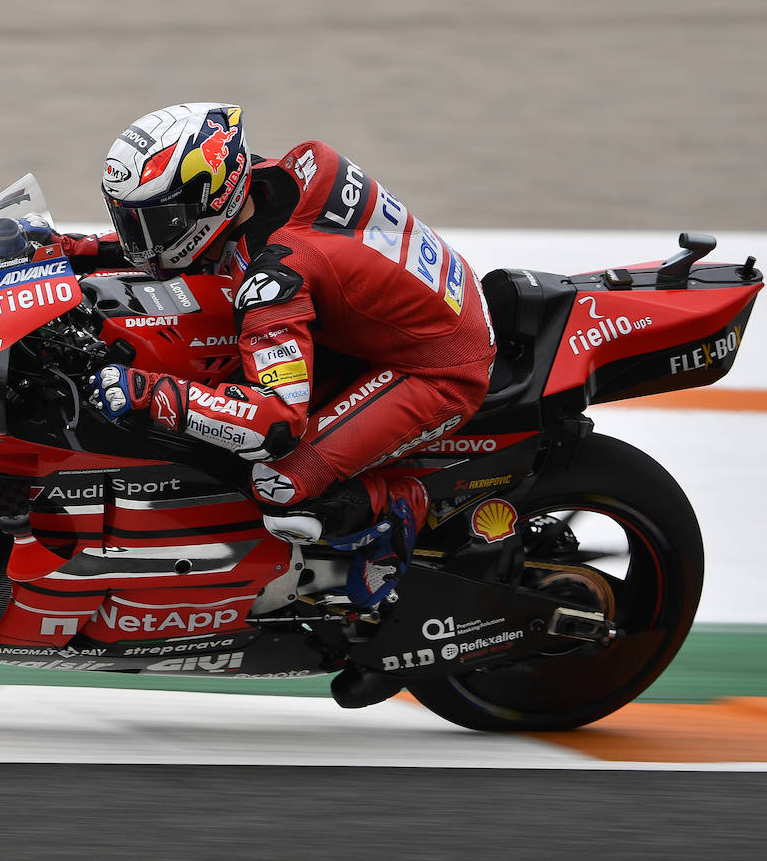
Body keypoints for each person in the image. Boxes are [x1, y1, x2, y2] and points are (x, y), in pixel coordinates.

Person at [65, 102, 496, 611]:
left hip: (437, 366)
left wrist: (155, 393)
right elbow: (189, 243)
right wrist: (82, 248)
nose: (141, 237)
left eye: (156, 220)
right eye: (128, 221)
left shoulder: (275, 280)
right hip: (403, 315)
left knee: (279, 482)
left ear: (212, 197)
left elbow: (275, 423)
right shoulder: (273, 176)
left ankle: (398, 507)